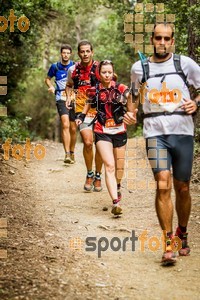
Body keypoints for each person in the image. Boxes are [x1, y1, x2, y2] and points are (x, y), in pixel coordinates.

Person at [124, 22, 200, 265]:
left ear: (173, 41)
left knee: (183, 187)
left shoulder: (185, 64)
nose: (162, 42)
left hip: (183, 133)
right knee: (163, 185)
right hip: (155, 134)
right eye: (158, 38)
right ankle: (168, 242)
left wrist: (196, 102)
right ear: (152, 39)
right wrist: (131, 113)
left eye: (167, 39)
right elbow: (134, 95)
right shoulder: (140, 68)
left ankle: (182, 232)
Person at [76, 60, 137, 215]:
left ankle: (117, 185)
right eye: (104, 72)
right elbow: (87, 104)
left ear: (113, 73)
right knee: (109, 165)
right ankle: (115, 202)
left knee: (119, 167)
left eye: (109, 72)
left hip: (120, 131)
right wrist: (81, 117)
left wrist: (132, 110)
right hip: (101, 130)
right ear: (99, 73)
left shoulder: (120, 88)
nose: (107, 75)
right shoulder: (93, 90)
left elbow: (131, 97)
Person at [65, 40, 103, 192]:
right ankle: (89, 173)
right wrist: (68, 97)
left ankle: (98, 175)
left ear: (92, 52)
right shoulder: (73, 69)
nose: (85, 54)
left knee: (100, 144)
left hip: (100, 110)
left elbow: (111, 80)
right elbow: (69, 85)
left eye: (88, 51)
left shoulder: (100, 68)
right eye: (82, 51)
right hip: (82, 110)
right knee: (88, 142)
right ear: (79, 53)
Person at [45, 44, 76, 164]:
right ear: (61, 54)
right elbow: (47, 79)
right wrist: (51, 86)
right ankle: (67, 154)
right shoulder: (55, 67)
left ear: (70, 54)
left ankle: (72, 152)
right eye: (64, 53)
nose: (66, 55)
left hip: (74, 98)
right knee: (65, 125)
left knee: (73, 128)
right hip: (60, 97)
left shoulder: (74, 66)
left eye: (68, 53)